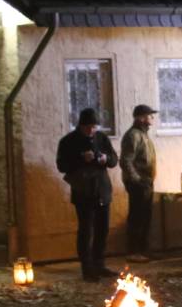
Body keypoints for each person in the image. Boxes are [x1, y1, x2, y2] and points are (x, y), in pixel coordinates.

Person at [55, 107, 119, 281]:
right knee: (86, 230)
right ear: (80, 126)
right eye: (88, 127)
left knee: (102, 229)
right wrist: (81, 159)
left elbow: (114, 160)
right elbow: (62, 165)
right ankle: (87, 268)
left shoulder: (101, 138)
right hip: (83, 191)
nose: (91, 130)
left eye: (94, 127)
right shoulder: (69, 141)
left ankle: (99, 264)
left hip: (102, 190)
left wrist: (105, 159)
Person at [119, 103, 158, 261]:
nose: (152, 118)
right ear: (141, 118)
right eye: (149, 115)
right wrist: (137, 179)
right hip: (139, 183)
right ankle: (134, 251)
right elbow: (126, 161)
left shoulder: (143, 134)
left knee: (145, 216)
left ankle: (143, 249)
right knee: (137, 217)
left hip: (145, 181)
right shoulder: (133, 135)